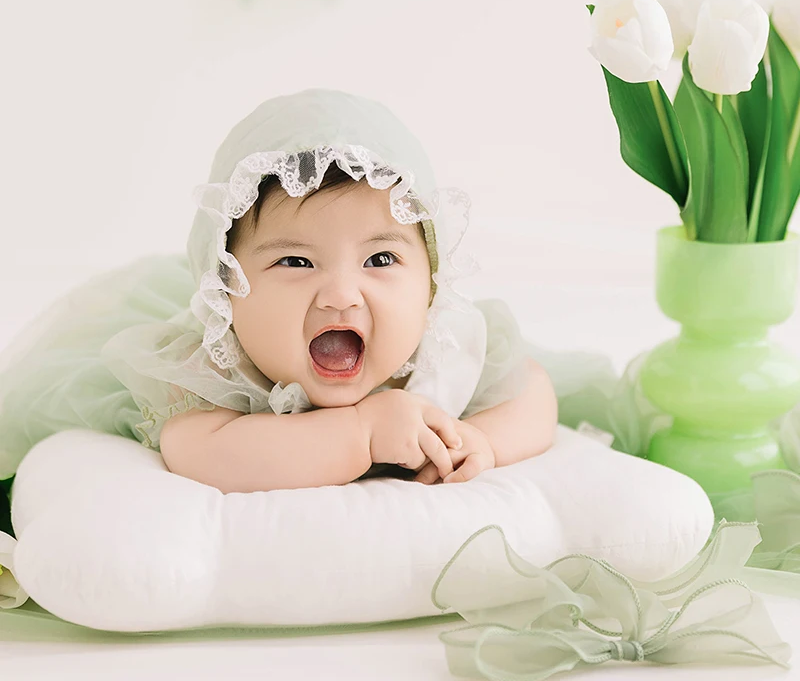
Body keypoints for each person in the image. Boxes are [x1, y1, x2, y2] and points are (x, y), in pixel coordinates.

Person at [0, 89, 557, 494]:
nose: (341, 295)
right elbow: (206, 455)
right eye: (296, 261)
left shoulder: (445, 344)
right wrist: (362, 432)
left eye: (381, 259)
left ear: (433, 277)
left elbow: (533, 392)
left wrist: (482, 440)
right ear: (227, 286)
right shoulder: (219, 365)